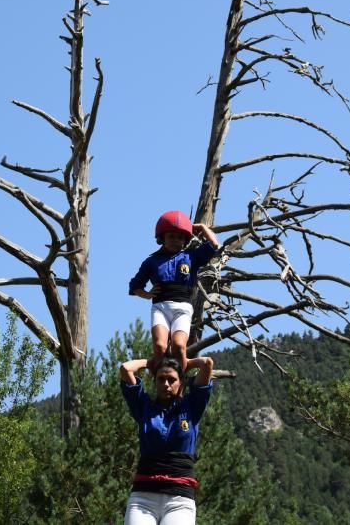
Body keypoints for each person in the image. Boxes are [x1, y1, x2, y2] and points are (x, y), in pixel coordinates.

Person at [120, 354, 213, 524]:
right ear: (154, 381)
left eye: (172, 379)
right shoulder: (144, 407)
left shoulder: (192, 407)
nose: (166, 384)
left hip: (179, 500)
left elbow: (207, 364)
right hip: (143, 499)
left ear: (181, 382)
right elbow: (126, 369)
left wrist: (187, 363)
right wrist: (150, 363)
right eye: (161, 379)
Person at [129, 211, 221, 371]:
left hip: (183, 308)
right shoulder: (151, 261)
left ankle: (179, 383)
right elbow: (135, 286)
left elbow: (214, 245)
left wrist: (202, 227)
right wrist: (148, 295)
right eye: (171, 236)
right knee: (159, 346)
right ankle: (159, 380)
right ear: (162, 238)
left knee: (179, 346)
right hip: (160, 308)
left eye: (180, 237)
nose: (176, 240)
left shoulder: (191, 257)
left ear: (185, 240)